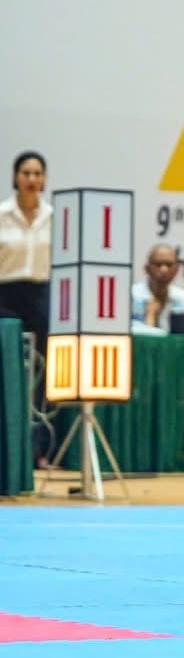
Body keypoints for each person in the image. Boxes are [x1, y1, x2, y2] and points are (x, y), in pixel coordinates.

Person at [0, 151, 51, 463]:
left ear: (44, 180)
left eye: (37, 174)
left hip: (41, 296)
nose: (31, 179)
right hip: (4, 297)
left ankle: (38, 448)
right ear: (15, 177)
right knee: (8, 370)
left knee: (43, 373)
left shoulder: (54, 217)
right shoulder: (2, 214)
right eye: (26, 173)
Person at [130, 244, 184, 334]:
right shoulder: (133, 295)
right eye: (158, 264)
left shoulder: (181, 297)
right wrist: (151, 315)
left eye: (169, 265)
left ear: (177, 270)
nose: (164, 270)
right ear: (147, 269)